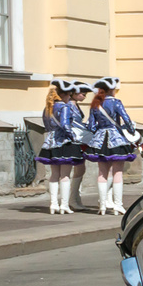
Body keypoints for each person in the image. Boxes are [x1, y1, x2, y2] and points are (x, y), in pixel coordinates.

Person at [36, 76, 90, 213]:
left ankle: (53, 204)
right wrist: (73, 137)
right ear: (66, 94)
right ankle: (64, 205)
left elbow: (47, 125)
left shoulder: (48, 107)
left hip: (51, 142)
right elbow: (66, 125)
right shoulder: (65, 107)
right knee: (65, 175)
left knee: (54, 175)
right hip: (65, 142)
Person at [85, 78, 138, 216]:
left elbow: (91, 126)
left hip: (100, 140)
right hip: (116, 139)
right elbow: (126, 119)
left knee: (102, 173)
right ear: (112, 90)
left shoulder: (96, 103)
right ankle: (117, 205)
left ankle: (102, 206)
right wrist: (131, 130)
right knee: (117, 172)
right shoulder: (116, 102)